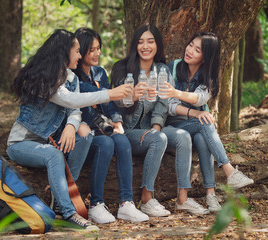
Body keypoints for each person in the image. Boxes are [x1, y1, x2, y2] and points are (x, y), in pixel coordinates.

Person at [6, 29, 133, 231]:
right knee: (54, 155)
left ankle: (61, 201)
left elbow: (74, 110)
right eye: (77, 51)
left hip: (51, 140)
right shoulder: (44, 79)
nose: (80, 56)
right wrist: (109, 94)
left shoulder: (71, 78)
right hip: (22, 144)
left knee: (86, 136)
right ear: (64, 52)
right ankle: (67, 213)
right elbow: (69, 99)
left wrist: (72, 125)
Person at [111, 23, 209, 217]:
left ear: (157, 45)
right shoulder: (122, 68)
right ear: (135, 46)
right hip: (126, 131)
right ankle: (147, 199)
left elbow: (162, 105)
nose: (145, 46)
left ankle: (183, 198)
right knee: (159, 138)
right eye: (140, 42)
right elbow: (116, 104)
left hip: (152, 129)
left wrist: (156, 127)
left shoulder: (162, 70)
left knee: (182, 137)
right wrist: (135, 95)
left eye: (150, 41)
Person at [161, 32, 254, 212]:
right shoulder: (172, 67)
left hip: (197, 126)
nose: (190, 51)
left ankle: (210, 195)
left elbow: (200, 99)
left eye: (197, 50)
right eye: (190, 45)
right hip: (174, 124)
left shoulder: (209, 76)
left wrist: (178, 94)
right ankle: (229, 171)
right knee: (204, 121)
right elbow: (169, 106)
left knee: (203, 138)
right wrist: (194, 113)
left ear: (205, 57)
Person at [73, 27, 149, 224]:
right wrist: (115, 93)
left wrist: (117, 121)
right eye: (91, 50)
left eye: (98, 48)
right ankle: (96, 204)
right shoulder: (73, 77)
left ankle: (126, 204)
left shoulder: (99, 73)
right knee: (106, 144)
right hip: (84, 133)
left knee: (122, 141)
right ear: (80, 52)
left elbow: (109, 103)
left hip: (103, 127)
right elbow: (97, 94)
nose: (97, 53)